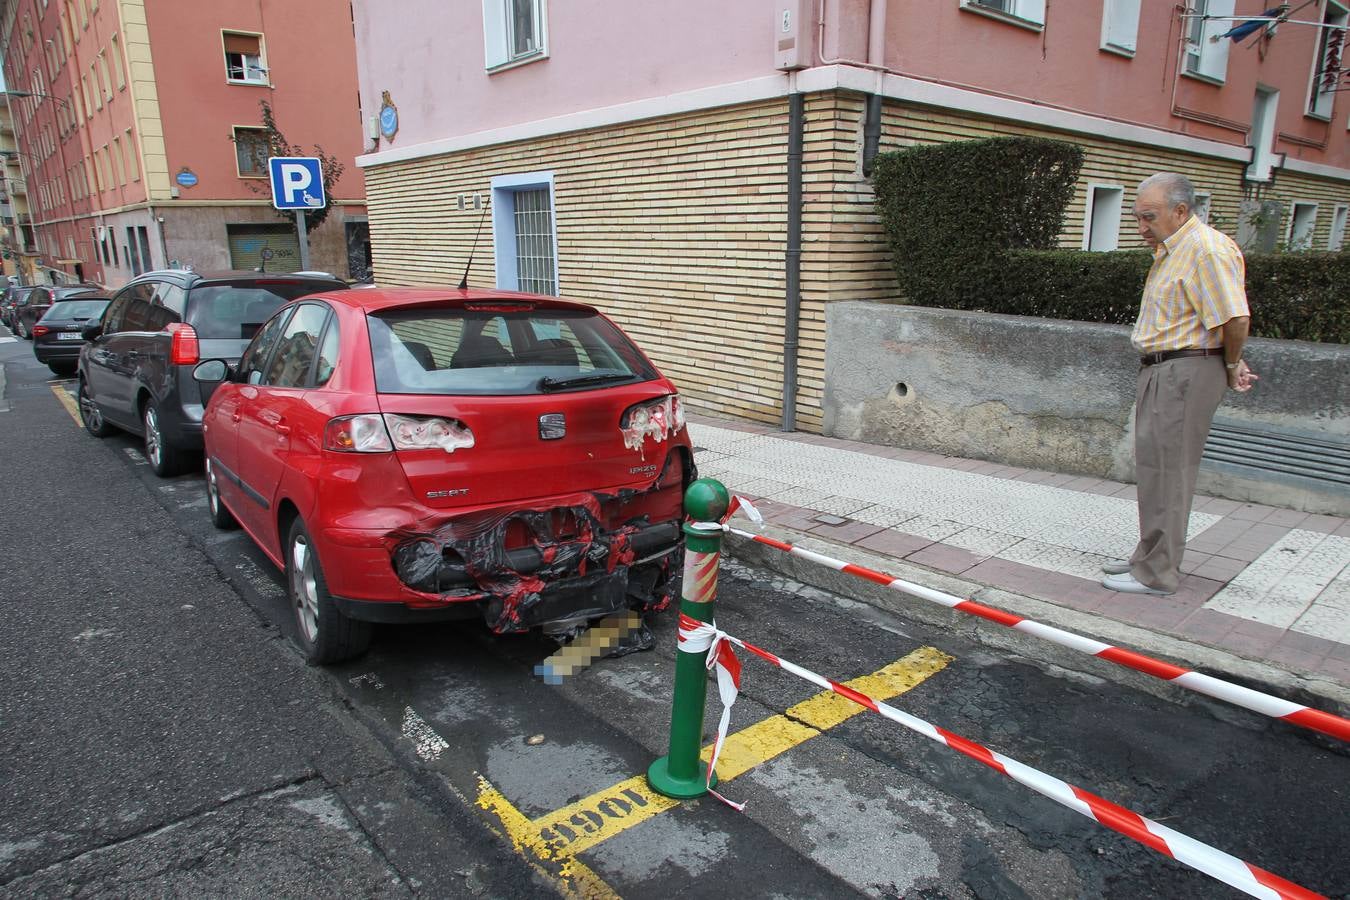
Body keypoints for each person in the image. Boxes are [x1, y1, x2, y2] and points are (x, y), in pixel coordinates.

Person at [1101, 172, 1258, 596]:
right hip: (1166, 368)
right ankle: (1148, 560)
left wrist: (1228, 364)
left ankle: (1158, 574)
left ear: (1181, 211)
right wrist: (1232, 359)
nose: (1141, 227)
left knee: (1170, 473)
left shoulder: (1205, 249)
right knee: (1155, 469)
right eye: (1138, 217)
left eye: (1148, 217)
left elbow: (1235, 318)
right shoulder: (1175, 250)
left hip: (1184, 371)